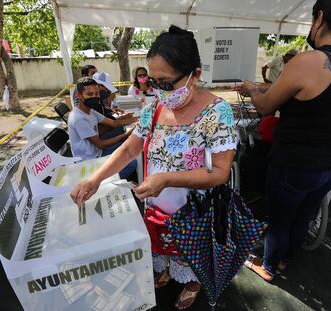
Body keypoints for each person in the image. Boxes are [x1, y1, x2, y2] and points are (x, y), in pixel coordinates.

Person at [70, 25, 238, 310]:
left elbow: (220, 172)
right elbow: (128, 148)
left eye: (166, 83)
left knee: (191, 250)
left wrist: (167, 179)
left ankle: (193, 281)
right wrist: (95, 178)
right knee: (161, 241)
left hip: (193, 207)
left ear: (195, 74)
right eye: (153, 82)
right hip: (157, 202)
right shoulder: (155, 109)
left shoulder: (217, 112)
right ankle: (168, 268)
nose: (158, 90)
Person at [240, 0, 331, 282]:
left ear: (319, 17)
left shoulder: (312, 60)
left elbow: (265, 106)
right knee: (303, 215)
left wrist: (251, 90)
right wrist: (258, 86)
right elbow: (304, 89)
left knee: (280, 220)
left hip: (296, 165)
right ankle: (286, 258)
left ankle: (269, 267)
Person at [68, 77, 138, 179]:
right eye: (89, 94)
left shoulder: (90, 111)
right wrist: (126, 135)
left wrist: (138, 119)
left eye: (96, 93)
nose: (94, 97)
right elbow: (100, 144)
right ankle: (102, 182)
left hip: (96, 152)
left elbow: (114, 124)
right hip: (90, 159)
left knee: (129, 149)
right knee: (131, 162)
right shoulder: (79, 118)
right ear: (79, 96)